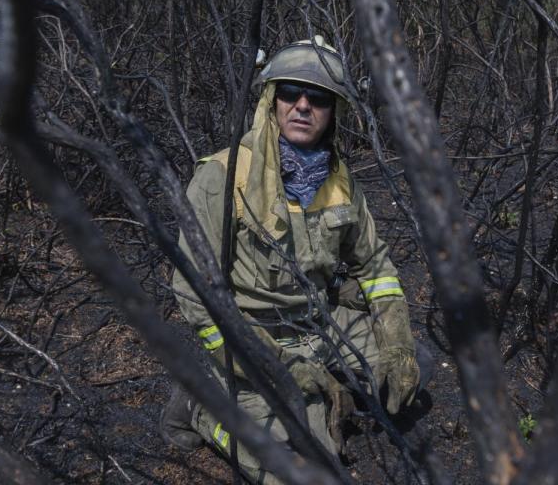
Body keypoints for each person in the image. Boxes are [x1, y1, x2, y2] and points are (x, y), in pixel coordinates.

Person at [161, 37, 430, 484]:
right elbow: (197, 296)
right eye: (290, 92)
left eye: (319, 98)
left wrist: (398, 344)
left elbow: (375, 269)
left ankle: (324, 390)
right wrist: (282, 368)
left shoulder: (340, 182)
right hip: (252, 340)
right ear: (272, 99)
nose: (303, 106)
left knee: (410, 373)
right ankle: (201, 407)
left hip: (317, 324)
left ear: (334, 111)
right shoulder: (222, 177)